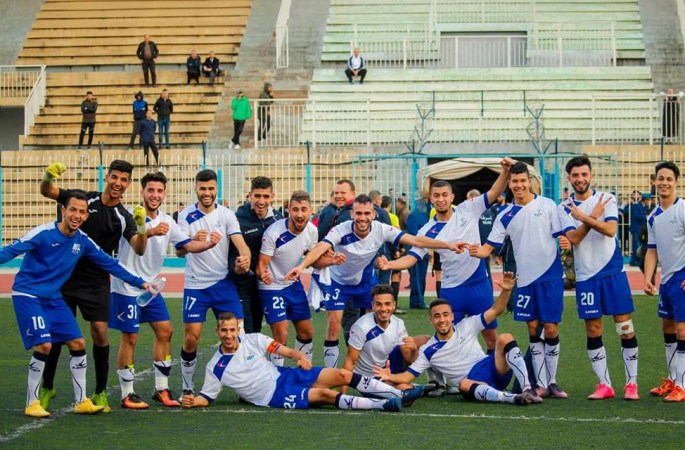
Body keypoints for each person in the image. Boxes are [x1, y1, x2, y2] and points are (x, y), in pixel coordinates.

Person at [5, 190, 153, 417]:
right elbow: (11, 250)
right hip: (28, 294)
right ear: (63, 210)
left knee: (77, 343)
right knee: (44, 345)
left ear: (86, 217)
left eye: (82, 212)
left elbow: (109, 263)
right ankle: (32, 402)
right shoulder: (44, 232)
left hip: (53, 298)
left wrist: (141, 282)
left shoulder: (82, 240)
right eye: (72, 209)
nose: (76, 215)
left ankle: (81, 400)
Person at [285, 194, 467, 369]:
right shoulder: (341, 230)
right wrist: (301, 267)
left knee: (379, 320)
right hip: (338, 282)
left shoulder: (381, 229)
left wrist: (448, 245)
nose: (362, 218)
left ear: (373, 214)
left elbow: (415, 240)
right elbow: (321, 248)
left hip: (364, 282)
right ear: (352, 214)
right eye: (358, 213)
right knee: (333, 326)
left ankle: (378, 366)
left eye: (366, 213)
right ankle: (331, 371)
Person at [38, 160, 148, 412]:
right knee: (56, 336)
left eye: (124, 180)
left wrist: (142, 228)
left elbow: (139, 249)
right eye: (115, 177)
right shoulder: (83, 201)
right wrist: (47, 176)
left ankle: (99, 392)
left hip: (97, 282)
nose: (118, 183)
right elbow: (47, 191)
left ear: (128, 184)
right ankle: (47, 386)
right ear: (106, 177)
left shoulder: (124, 217)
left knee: (100, 333)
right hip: (65, 278)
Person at [109, 172, 221, 409]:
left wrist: (210, 243)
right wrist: (147, 230)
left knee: (166, 332)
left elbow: (188, 245)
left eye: (159, 191)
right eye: (150, 190)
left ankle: (161, 389)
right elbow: (138, 249)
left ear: (165, 194)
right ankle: (127, 393)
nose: (155, 195)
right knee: (130, 337)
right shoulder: (131, 217)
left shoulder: (168, 222)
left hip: (151, 289)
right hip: (127, 287)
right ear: (142, 192)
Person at [378, 158, 512, 353]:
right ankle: (456, 381)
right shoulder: (426, 230)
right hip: (452, 290)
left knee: (491, 338)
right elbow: (413, 257)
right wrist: (391, 264)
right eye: (436, 195)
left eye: (444, 195)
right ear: (431, 199)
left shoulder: (469, 208)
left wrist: (505, 172)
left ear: (451, 197)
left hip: (478, 285)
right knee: (449, 342)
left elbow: (494, 192)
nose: (440, 199)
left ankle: (494, 379)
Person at [181, 312, 423, 412]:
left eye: (232, 329)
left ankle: (398, 395)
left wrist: (299, 356)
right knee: (324, 395)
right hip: (272, 397)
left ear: (237, 329)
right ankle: (381, 406)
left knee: (342, 375)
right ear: (217, 332)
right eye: (224, 330)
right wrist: (194, 402)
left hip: (284, 376)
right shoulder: (215, 366)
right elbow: (207, 397)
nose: (228, 335)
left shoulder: (252, 339)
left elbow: (282, 350)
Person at [470, 162, 568, 399]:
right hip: (525, 281)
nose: (519, 185)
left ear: (530, 181)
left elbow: (561, 236)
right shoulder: (504, 215)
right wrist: (474, 250)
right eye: (514, 181)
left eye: (523, 180)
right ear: (510, 184)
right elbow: (488, 248)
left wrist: (566, 242)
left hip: (550, 276)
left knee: (551, 329)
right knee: (533, 329)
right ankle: (542, 383)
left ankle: (552, 381)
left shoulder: (547, 205)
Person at [374, 272, 542, 406]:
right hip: (473, 382)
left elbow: (496, 310)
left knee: (505, 337)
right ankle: (512, 398)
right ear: (431, 320)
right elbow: (407, 377)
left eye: (446, 315)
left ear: (452, 317)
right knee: (463, 385)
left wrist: (506, 290)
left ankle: (527, 388)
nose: (442, 320)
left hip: (492, 367)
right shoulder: (428, 351)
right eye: (437, 316)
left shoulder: (467, 325)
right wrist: (389, 376)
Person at [558, 155, 639, 400]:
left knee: (625, 328)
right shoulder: (564, 208)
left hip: (613, 271)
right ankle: (604, 384)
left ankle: (631, 384)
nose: (580, 179)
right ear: (569, 178)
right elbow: (573, 239)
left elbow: (611, 230)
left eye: (584, 174)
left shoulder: (607, 198)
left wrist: (584, 217)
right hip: (586, 277)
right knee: (593, 330)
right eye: (575, 175)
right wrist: (590, 217)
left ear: (590, 175)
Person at [176, 169, 251, 397]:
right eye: (202, 188)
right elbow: (180, 252)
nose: (206, 193)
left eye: (210, 189)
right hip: (196, 285)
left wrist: (245, 257)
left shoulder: (226, 215)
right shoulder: (185, 215)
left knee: (239, 335)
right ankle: (187, 387)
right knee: (191, 338)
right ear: (196, 189)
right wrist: (191, 241)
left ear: (216, 189)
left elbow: (241, 243)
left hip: (223, 283)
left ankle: (245, 387)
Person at [257, 190, 317, 366]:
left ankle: (303, 373)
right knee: (281, 335)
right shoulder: (273, 233)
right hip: (271, 287)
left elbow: (311, 255)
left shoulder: (312, 231)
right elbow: (262, 263)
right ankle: (274, 379)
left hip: (292, 284)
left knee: (307, 332)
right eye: (295, 209)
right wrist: (264, 274)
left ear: (310, 210)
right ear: (288, 210)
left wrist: (332, 259)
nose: (299, 214)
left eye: (303, 209)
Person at [644, 161, 685, 402]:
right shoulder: (653, 217)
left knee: (682, 329)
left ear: (676, 182)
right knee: (668, 329)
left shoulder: (682, 209)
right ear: (654, 181)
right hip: (667, 279)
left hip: (682, 277)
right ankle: (672, 380)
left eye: (669, 179)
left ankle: (682, 384)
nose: (664, 183)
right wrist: (649, 278)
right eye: (661, 178)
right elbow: (652, 250)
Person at [343, 284, 427, 390]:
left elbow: (408, 359)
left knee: (426, 340)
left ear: (394, 305)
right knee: (405, 390)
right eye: (379, 304)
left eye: (387, 304)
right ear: (372, 306)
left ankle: (438, 384)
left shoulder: (398, 323)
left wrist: (414, 350)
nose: (383, 309)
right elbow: (350, 361)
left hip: (387, 367)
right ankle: (408, 387)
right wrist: (342, 396)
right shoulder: (361, 326)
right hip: (369, 377)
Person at [230, 176, 280, 334]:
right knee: (246, 328)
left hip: (266, 283)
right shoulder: (238, 218)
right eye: (257, 196)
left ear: (272, 196)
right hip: (243, 282)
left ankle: (254, 359)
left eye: (266, 196)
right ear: (250, 195)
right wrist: (236, 267)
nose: (261, 201)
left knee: (257, 329)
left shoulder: (278, 219)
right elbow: (230, 253)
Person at [406, 196, 430, 309]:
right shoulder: (415, 215)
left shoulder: (421, 215)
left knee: (420, 277)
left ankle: (418, 300)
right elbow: (413, 233)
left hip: (422, 249)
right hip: (416, 249)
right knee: (417, 277)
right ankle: (417, 301)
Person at [628, 190, 647, 266]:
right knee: (636, 245)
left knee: (638, 245)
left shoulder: (639, 204)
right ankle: (635, 261)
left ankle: (635, 260)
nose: (636, 196)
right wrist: (645, 217)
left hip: (639, 227)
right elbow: (637, 216)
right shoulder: (634, 205)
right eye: (635, 195)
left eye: (638, 195)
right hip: (636, 228)